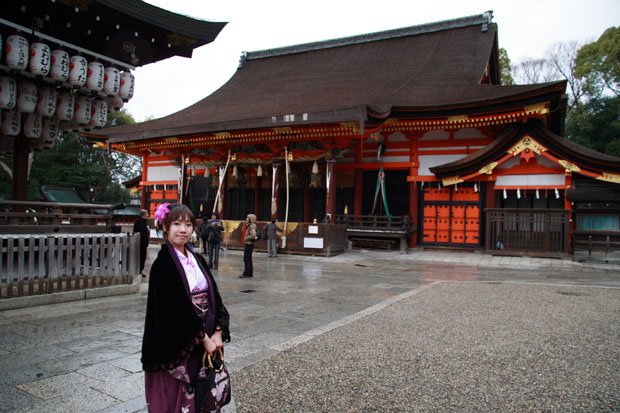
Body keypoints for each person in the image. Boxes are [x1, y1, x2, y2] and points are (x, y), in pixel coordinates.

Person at [141, 203, 230, 412]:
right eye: (177, 224)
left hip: (205, 337)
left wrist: (218, 330)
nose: (183, 230)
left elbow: (214, 295)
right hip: (180, 342)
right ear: (165, 227)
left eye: (188, 224)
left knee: (205, 394)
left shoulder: (196, 258)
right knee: (177, 400)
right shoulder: (163, 264)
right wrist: (204, 338)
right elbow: (174, 310)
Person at [133, 209, 150, 277]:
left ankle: (139, 270)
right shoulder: (140, 222)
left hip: (140, 242)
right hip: (140, 242)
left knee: (141, 256)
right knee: (141, 256)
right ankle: (139, 270)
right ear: (144, 214)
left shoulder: (141, 221)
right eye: (147, 214)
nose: (148, 215)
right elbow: (142, 233)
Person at [239, 213, 257, 278]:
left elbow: (253, 235)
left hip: (249, 244)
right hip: (248, 244)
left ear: (250, 219)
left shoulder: (251, 226)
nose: (246, 219)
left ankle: (246, 273)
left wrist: (246, 238)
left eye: (247, 218)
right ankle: (249, 273)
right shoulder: (248, 225)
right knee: (248, 259)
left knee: (246, 259)